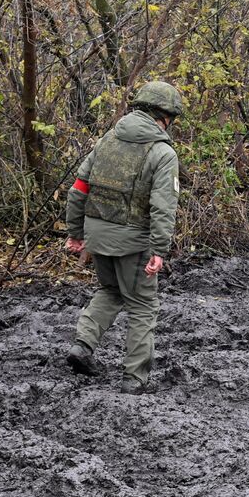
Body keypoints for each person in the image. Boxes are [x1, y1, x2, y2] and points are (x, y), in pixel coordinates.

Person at [64, 80, 182, 393]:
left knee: (110, 290)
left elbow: (78, 191)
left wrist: (76, 232)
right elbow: (163, 206)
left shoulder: (107, 139)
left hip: (97, 234)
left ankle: (83, 344)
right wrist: (159, 249)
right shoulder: (162, 152)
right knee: (143, 306)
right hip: (133, 241)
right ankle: (134, 379)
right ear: (165, 116)